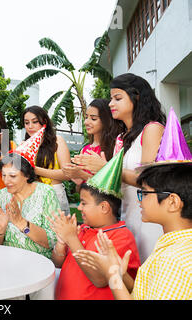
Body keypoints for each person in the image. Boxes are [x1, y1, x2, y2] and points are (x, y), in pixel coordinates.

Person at [74, 73, 166, 262]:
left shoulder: (152, 129)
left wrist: (107, 168)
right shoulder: (122, 138)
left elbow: (150, 180)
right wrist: (89, 173)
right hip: (126, 217)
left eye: (117, 98)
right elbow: (118, 183)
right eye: (111, 99)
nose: (110, 104)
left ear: (137, 97)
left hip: (149, 220)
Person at [74, 163, 192, 299]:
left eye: (145, 193)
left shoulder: (172, 261)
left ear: (173, 202)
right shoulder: (177, 248)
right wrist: (119, 272)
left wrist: (111, 273)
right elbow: (143, 293)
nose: (139, 200)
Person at [50, 150, 140, 300]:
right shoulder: (83, 230)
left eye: (84, 203)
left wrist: (72, 239)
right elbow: (57, 263)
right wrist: (61, 243)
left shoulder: (120, 237)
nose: (79, 208)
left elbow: (100, 280)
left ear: (104, 207)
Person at [0, 127, 59, 258]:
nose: (6, 181)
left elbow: (53, 241)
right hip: (6, 260)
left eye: (12, 176)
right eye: (4, 175)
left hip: (37, 262)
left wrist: (21, 222)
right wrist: (1, 228)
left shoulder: (46, 193)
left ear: (26, 175)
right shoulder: (2, 194)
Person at [22, 106, 71, 215]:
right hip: (31, 196)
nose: (30, 126)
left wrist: (35, 170)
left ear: (44, 122)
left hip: (55, 194)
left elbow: (67, 174)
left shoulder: (57, 141)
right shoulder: (24, 145)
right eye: (26, 123)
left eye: (35, 122)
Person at [63, 99, 123, 185]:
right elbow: (80, 188)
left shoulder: (114, 148)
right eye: (86, 117)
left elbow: (111, 183)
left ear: (106, 120)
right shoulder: (85, 150)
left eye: (93, 118)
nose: (86, 122)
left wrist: (83, 175)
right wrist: (77, 178)